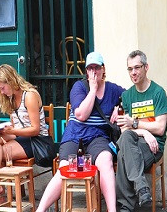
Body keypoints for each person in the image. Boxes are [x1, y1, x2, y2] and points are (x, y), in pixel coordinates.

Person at [36, 52, 124, 212]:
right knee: (65, 167)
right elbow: (81, 115)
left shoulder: (112, 89)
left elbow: (131, 97)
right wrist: (93, 90)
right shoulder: (79, 87)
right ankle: (40, 210)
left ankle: (112, 210)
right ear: (86, 71)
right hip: (75, 135)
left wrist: (120, 107)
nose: (94, 72)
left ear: (103, 69)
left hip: (98, 137)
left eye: (97, 68)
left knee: (106, 160)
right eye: (90, 68)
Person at [0, 64, 51, 202]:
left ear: (10, 81)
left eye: (2, 88)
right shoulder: (11, 98)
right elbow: (15, 126)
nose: (1, 92)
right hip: (21, 137)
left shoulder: (29, 95)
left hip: (37, 140)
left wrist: (12, 131)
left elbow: (35, 129)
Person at [116, 50, 167, 211]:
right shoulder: (127, 96)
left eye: (137, 67)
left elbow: (160, 128)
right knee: (126, 142)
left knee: (122, 155)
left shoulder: (158, 92)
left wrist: (134, 124)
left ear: (146, 67)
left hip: (153, 146)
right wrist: (144, 132)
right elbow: (124, 131)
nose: (133, 72)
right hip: (135, 141)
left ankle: (126, 207)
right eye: (130, 69)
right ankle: (142, 189)